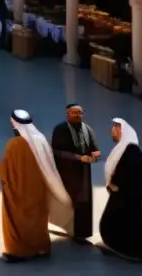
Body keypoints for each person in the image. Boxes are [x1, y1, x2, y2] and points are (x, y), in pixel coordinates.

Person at [0, 109, 72, 262]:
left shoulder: (14, 145)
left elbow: (6, 170)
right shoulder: (41, 140)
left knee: (20, 222)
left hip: (19, 194)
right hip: (39, 191)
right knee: (38, 220)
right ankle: (41, 248)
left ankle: (18, 251)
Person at [99, 118, 142, 262]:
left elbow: (134, 174)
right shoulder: (124, 149)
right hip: (122, 195)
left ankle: (133, 252)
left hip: (126, 196)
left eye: (115, 128)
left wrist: (116, 185)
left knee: (125, 223)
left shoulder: (131, 151)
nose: (112, 131)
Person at [50, 103, 100, 242]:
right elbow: (55, 152)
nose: (78, 116)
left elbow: (95, 149)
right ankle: (66, 228)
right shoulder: (60, 130)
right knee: (67, 201)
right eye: (74, 113)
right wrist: (77, 157)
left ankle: (81, 233)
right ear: (68, 114)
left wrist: (95, 157)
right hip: (67, 172)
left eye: (80, 113)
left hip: (83, 173)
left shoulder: (87, 130)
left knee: (83, 203)